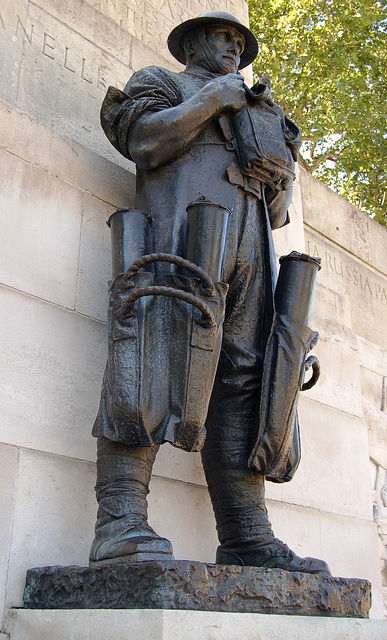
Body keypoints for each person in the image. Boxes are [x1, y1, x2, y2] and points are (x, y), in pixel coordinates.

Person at [90, 11, 330, 575]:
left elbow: (277, 212)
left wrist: (281, 175)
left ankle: (247, 533)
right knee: (149, 353)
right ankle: (119, 520)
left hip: (249, 251)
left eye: (238, 41)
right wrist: (214, 99)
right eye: (221, 37)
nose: (231, 46)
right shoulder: (163, 82)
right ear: (192, 44)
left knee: (252, 380)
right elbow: (143, 141)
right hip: (178, 236)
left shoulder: (259, 113)